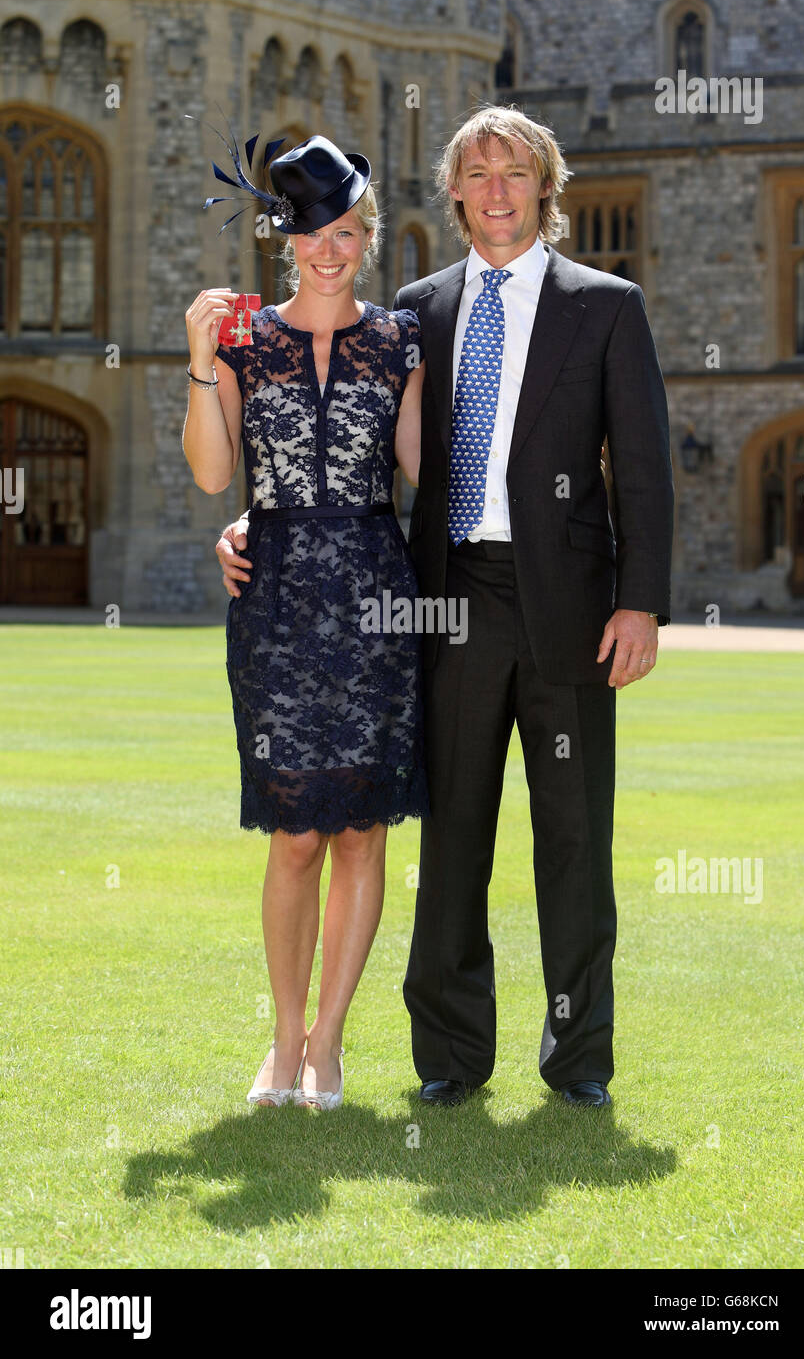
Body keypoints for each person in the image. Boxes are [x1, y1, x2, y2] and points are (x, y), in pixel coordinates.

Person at [217, 104, 674, 1111]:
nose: (498, 190)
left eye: (516, 172)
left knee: (572, 836)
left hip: (567, 606)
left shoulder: (605, 306)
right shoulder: (414, 312)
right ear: (456, 193)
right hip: (442, 601)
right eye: (479, 173)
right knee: (452, 834)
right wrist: (247, 523)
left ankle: (577, 1059)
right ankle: (453, 1058)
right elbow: (336, 438)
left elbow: (641, 468)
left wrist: (641, 603)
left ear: (544, 188)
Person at [183, 133, 427, 1112]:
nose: (331, 247)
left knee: (362, 831)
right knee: (293, 835)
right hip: (276, 603)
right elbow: (211, 474)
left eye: (349, 229)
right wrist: (201, 362)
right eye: (314, 231)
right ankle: (281, 1043)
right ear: (286, 238)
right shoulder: (242, 340)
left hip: (376, 598)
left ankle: (328, 1045)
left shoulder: (402, 340)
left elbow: (421, 470)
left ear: (366, 236)